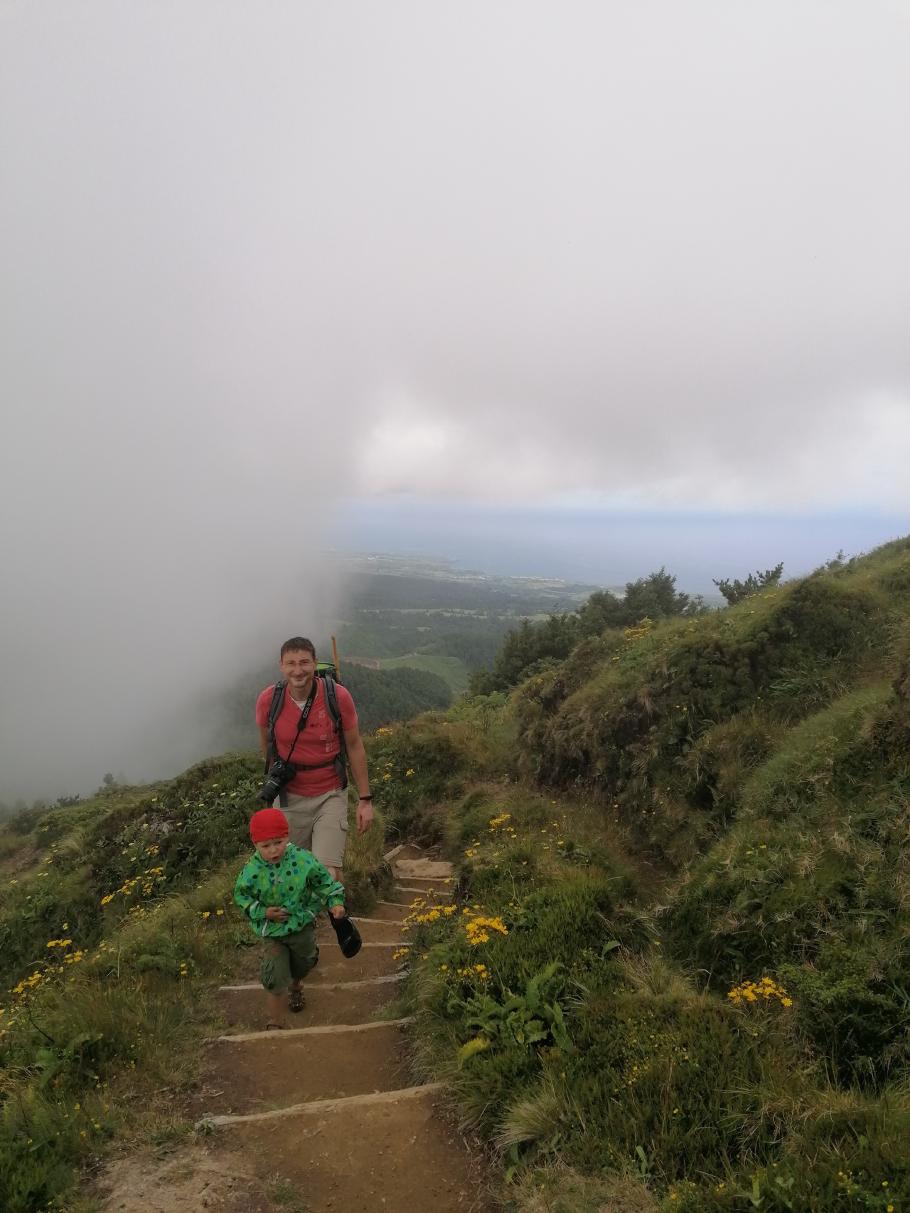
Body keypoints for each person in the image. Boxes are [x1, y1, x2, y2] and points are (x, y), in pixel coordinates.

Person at [255, 636, 373, 882]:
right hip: (288, 795)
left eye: (304, 662)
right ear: (281, 665)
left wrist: (365, 800)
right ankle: (302, 919)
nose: (298, 670)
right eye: (291, 664)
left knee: (327, 872)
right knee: (289, 871)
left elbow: (354, 745)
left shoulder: (337, 697)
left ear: (315, 663)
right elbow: (266, 745)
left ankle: (336, 917)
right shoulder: (269, 700)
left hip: (330, 792)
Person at [234, 807, 346, 1028]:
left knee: (303, 962)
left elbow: (323, 882)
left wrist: (336, 903)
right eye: (266, 846)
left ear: (287, 836)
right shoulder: (252, 870)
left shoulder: (303, 860)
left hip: (301, 924)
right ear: (255, 844)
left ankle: (296, 986)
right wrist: (263, 912)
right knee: (275, 974)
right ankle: (274, 1022)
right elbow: (242, 896)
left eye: (278, 842)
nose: (273, 850)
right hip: (273, 931)